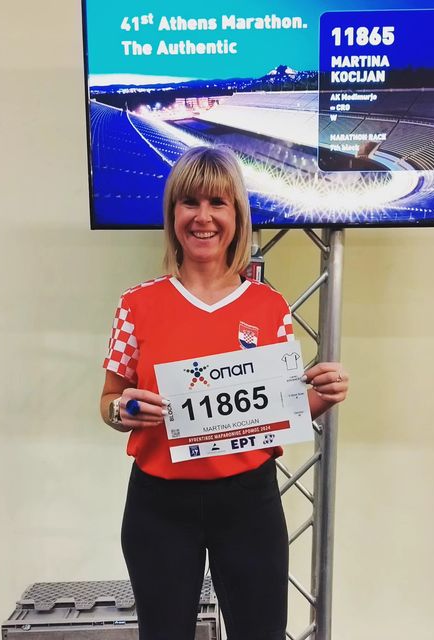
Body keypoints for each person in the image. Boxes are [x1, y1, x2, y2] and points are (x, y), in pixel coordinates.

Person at [100, 146, 349, 640]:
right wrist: (121, 409)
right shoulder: (137, 304)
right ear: (173, 213)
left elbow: (279, 411)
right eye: (189, 202)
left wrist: (323, 396)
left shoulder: (269, 306)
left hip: (248, 502)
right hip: (159, 504)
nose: (203, 217)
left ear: (237, 215)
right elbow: (109, 401)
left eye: (218, 203)